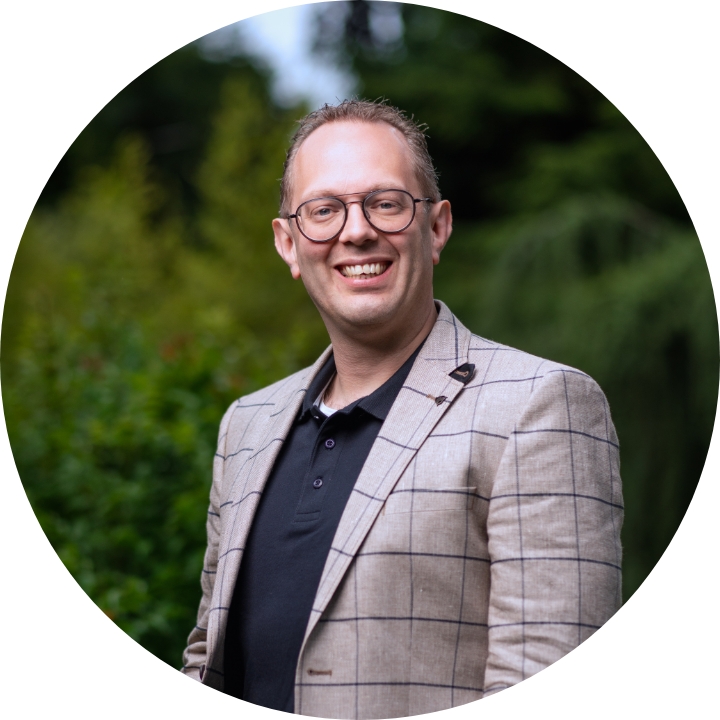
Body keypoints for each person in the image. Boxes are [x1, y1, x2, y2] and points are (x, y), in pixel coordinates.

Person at [181, 100, 623, 719]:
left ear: (436, 228)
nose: (356, 231)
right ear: (288, 243)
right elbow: (207, 655)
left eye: (386, 203)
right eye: (324, 210)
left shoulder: (539, 405)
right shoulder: (247, 425)